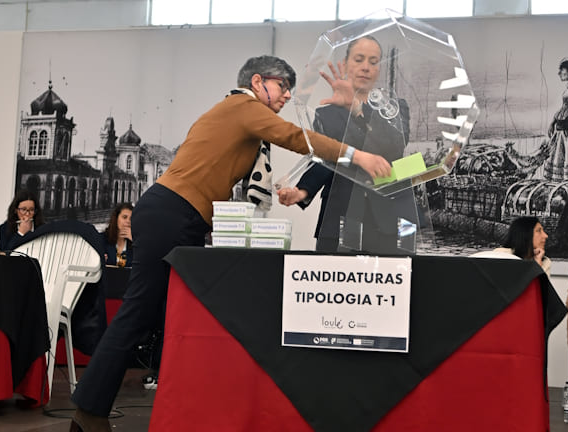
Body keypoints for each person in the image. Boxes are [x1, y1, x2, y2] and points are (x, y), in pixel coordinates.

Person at [69, 55, 391, 432]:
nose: (287, 95)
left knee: (179, 313)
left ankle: (184, 406)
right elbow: (296, 137)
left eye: (290, 88)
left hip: (179, 216)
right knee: (139, 311)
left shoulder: (233, 114)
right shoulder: (243, 107)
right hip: (172, 214)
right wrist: (358, 155)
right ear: (257, 82)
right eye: (282, 85)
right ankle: (89, 412)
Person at [277, 36, 417, 254]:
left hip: (389, 217)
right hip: (340, 213)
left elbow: (395, 147)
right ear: (345, 63)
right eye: (359, 60)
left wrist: (357, 109)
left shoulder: (395, 109)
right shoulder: (326, 114)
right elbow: (325, 158)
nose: (365, 67)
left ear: (379, 69)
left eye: (373, 62)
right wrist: (302, 190)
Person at [102, 203, 133, 267]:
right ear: (116, 218)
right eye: (124, 217)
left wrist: (133, 240)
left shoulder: (136, 243)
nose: (128, 221)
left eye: (131, 219)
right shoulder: (102, 239)